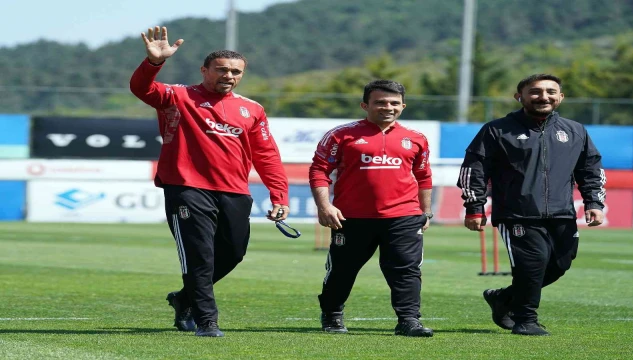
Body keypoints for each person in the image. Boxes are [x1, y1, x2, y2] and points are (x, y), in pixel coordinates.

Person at [130, 26, 290, 337]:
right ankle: (206, 321)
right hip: (187, 189)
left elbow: (267, 155)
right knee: (199, 256)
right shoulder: (177, 96)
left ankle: (183, 298)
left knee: (233, 253)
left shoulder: (252, 109)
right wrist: (153, 63)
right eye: (221, 69)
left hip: (234, 192)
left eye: (236, 71)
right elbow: (141, 89)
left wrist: (279, 196)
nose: (228, 75)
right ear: (205, 70)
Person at [457, 74, 606, 336]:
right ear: (520, 97)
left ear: (560, 97)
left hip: (562, 212)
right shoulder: (496, 129)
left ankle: (504, 298)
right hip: (517, 213)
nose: (543, 97)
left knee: (560, 265)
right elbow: (474, 169)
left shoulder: (575, 130)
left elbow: (590, 169)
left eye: (551, 92)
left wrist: (594, 201)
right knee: (532, 265)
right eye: (535, 92)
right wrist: (474, 207)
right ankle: (525, 320)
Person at [309, 80, 434, 337]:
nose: (387, 107)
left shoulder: (416, 138)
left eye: (394, 103)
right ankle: (332, 314)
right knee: (342, 270)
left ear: (403, 105)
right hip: (351, 218)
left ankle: (409, 320)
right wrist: (324, 206)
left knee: (407, 269)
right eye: (380, 102)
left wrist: (426, 212)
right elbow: (319, 170)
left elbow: (423, 176)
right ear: (365, 105)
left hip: (404, 217)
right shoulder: (341, 135)